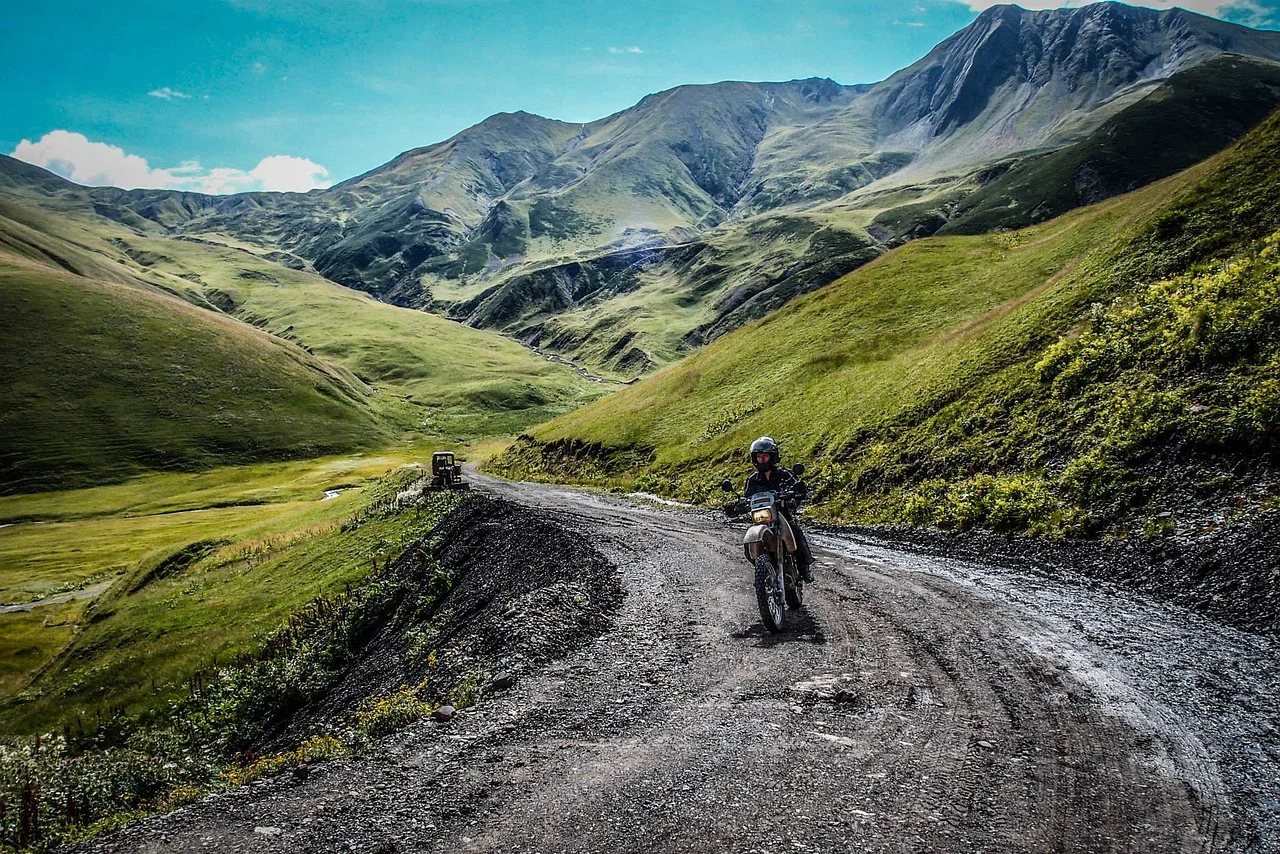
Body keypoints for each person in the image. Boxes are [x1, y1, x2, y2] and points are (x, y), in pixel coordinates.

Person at [743, 436, 815, 582]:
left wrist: (797, 491)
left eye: (765, 456)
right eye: (759, 457)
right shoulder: (752, 480)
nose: (762, 460)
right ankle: (761, 568)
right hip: (761, 520)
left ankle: (804, 567)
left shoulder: (785, 475)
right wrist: (737, 504)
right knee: (750, 538)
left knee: (795, 532)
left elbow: (799, 488)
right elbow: (747, 497)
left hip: (783, 514)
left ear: (773, 457)